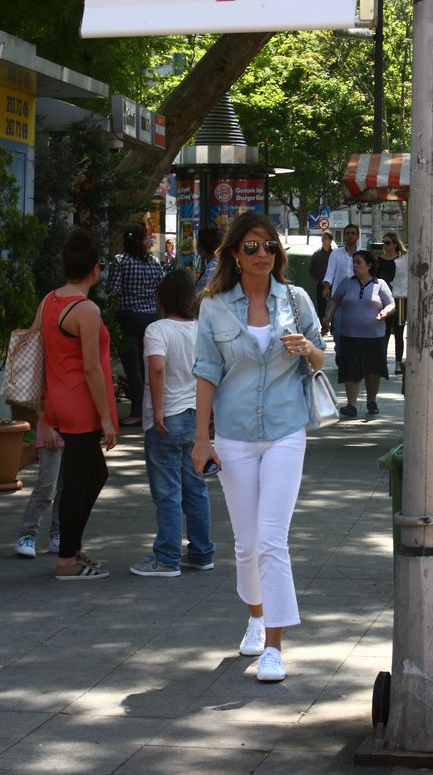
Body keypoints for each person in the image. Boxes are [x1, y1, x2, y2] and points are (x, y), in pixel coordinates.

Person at [191, 211, 325, 682]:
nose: (262, 254)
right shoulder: (213, 306)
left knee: (271, 539)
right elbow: (206, 371)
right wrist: (202, 438)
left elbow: (320, 355)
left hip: (286, 428)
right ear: (234, 253)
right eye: (251, 246)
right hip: (234, 433)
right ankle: (255, 614)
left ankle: (274, 646)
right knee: (246, 543)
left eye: (269, 245)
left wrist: (306, 349)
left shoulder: (295, 298)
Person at [38, 229, 118, 580]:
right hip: (80, 403)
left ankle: (71, 546)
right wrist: (106, 418)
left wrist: (42, 412)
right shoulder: (86, 309)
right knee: (76, 481)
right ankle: (67, 559)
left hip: (58, 398)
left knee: (94, 474)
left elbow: (36, 349)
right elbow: (91, 368)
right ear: (95, 268)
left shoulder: (49, 300)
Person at [130, 270, 215, 578]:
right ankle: (201, 552)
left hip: (167, 418)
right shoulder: (200, 329)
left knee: (167, 491)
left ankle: (167, 557)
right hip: (195, 416)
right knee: (195, 487)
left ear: (162, 298)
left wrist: (157, 410)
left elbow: (157, 369)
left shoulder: (157, 329)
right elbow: (210, 371)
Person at [324, 249, 395, 418]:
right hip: (349, 335)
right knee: (351, 370)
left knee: (373, 371)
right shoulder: (347, 283)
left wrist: (385, 312)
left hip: (374, 336)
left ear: (369, 265)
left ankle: (372, 402)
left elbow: (391, 304)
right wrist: (329, 315)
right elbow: (335, 300)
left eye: (358, 263)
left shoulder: (380, 284)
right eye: (353, 262)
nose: (354, 266)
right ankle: (351, 405)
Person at [107, 223, 164, 427]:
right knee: (147, 365)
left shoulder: (120, 261)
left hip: (127, 317)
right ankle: (152, 408)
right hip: (150, 318)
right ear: (144, 239)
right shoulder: (154, 263)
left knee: (132, 367)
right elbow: (161, 289)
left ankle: (137, 411)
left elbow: (112, 290)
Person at [14, 417, 63, 558]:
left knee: (66, 488)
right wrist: (46, 428)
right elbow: (40, 404)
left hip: (77, 433)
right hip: (52, 431)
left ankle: (58, 534)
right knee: (47, 487)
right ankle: (27, 534)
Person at [377, 232, 407, 374]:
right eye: (383, 242)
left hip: (400, 298)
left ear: (395, 244)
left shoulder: (403, 259)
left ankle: (398, 364)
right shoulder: (379, 261)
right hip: (384, 299)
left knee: (399, 331)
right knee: (385, 331)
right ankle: (382, 362)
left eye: (388, 242)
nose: (385, 245)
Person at [308, 230, 334, 332]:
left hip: (333, 284)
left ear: (330, 240)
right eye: (322, 238)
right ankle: (324, 326)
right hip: (321, 283)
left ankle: (333, 327)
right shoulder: (317, 254)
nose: (323, 240)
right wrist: (319, 280)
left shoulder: (334, 254)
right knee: (321, 307)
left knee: (334, 304)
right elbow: (311, 270)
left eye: (325, 238)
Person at [195, 227, 221, 292]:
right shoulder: (214, 263)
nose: (197, 249)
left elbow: (209, 292)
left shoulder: (213, 266)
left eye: (198, 245)